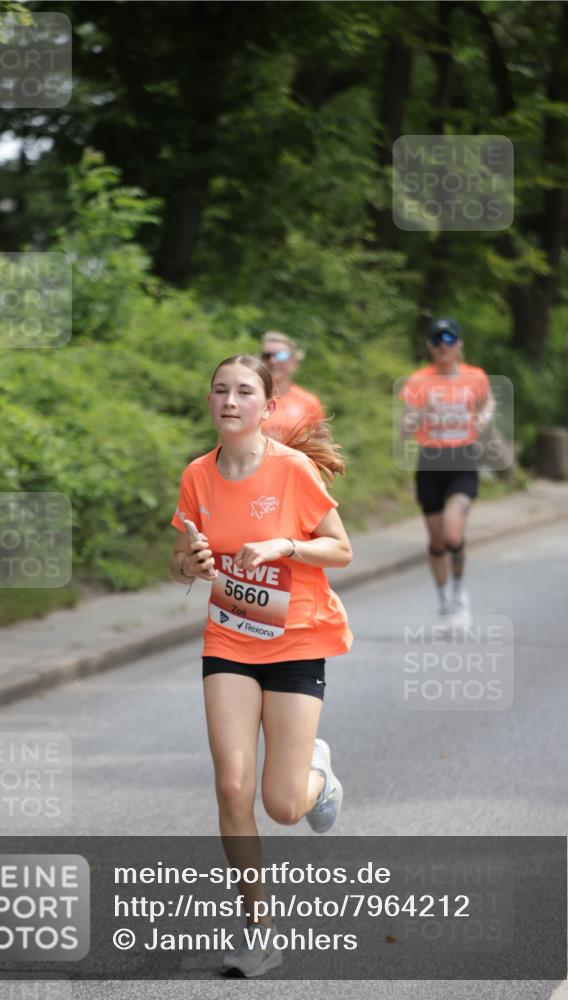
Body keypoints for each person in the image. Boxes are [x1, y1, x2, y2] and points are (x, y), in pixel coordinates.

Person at [169, 354, 352, 977]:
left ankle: (317, 777)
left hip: (297, 641)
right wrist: (189, 565)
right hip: (229, 640)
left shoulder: (294, 470)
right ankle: (259, 929)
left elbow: (342, 549)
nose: (230, 400)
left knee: (281, 804)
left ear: (266, 407)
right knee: (231, 785)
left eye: (245, 391)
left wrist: (285, 544)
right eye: (220, 389)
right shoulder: (197, 475)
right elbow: (178, 559)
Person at [400, 318, 495, 627]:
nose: (444, 346)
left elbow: (488, 401)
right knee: (437, 540)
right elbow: (405, 429)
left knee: (453, 532)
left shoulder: (475, 376)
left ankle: (459, 592)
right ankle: (443, 599)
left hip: (462, 459)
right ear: (430, 347)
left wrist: (483, 417)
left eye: (450, 340)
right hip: (430, 461)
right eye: (438, 341)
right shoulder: (418, 381)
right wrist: (419, 415)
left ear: (460, 345)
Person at [259, 331, 326, 439]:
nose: (273, 361)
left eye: (280, 355)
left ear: (294, 362)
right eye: (266, 356)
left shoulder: (309, 402)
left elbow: (323, 445)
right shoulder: (247, 399)